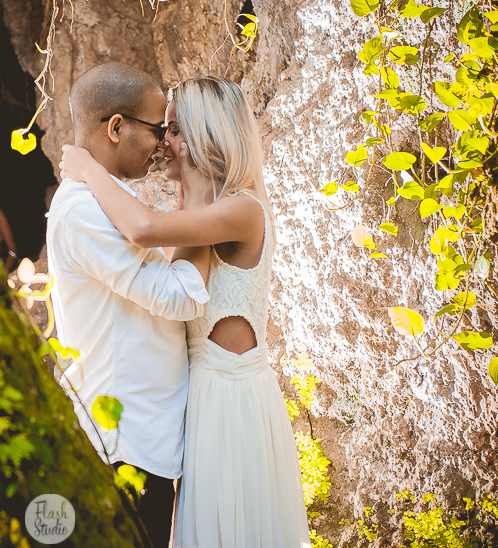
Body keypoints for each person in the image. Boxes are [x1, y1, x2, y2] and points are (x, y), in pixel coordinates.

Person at [59, 76, 311, 548]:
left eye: (173, 130)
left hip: (230, 398)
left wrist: (89, 170)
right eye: (163, 129)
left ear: (203, 136)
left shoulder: (241, 209)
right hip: (201, 399)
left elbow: (142, 228)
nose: (163, 143)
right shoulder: (197, 213)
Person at [46, 62, 210, 548]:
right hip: (123, 440)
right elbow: (178, 296)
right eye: (158, 129)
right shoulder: (84, 211)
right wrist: (202, 208)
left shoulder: (104, 199)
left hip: (140, 436)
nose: (163, 143)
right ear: (116, 127)